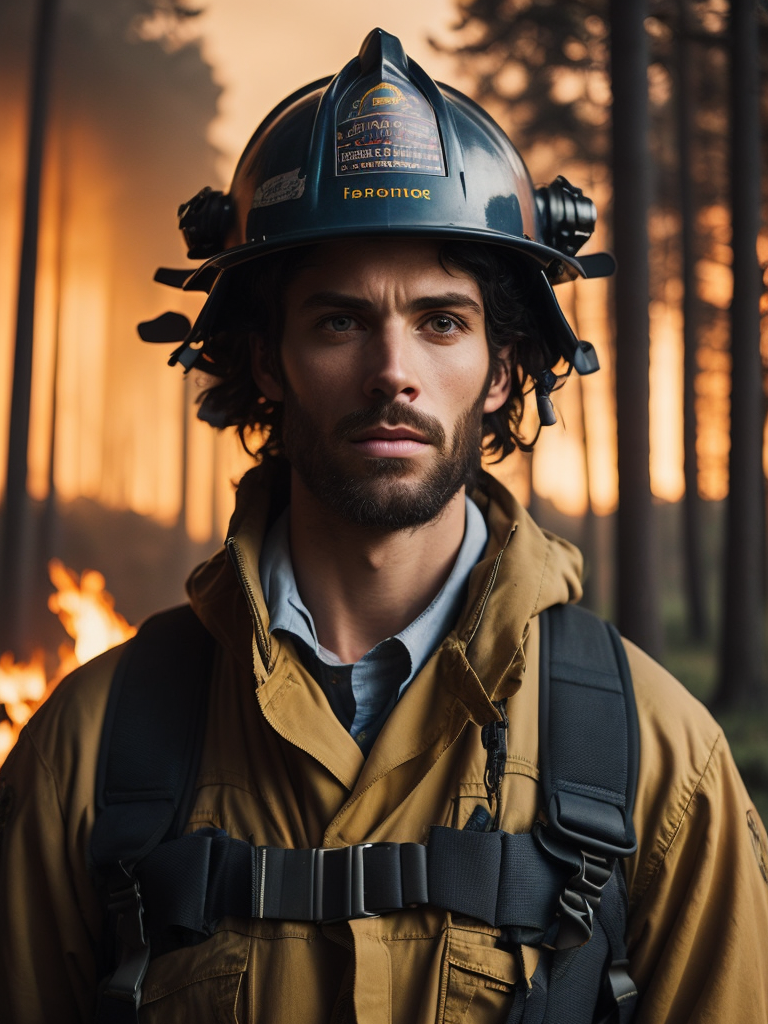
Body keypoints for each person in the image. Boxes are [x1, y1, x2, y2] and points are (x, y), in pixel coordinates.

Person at [1, 27, 767, 1024]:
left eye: (442, 320)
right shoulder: (86, 752)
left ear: (500, 372)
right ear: (269, 362)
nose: (392, 369)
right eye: (339, 320)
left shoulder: (659, 763)